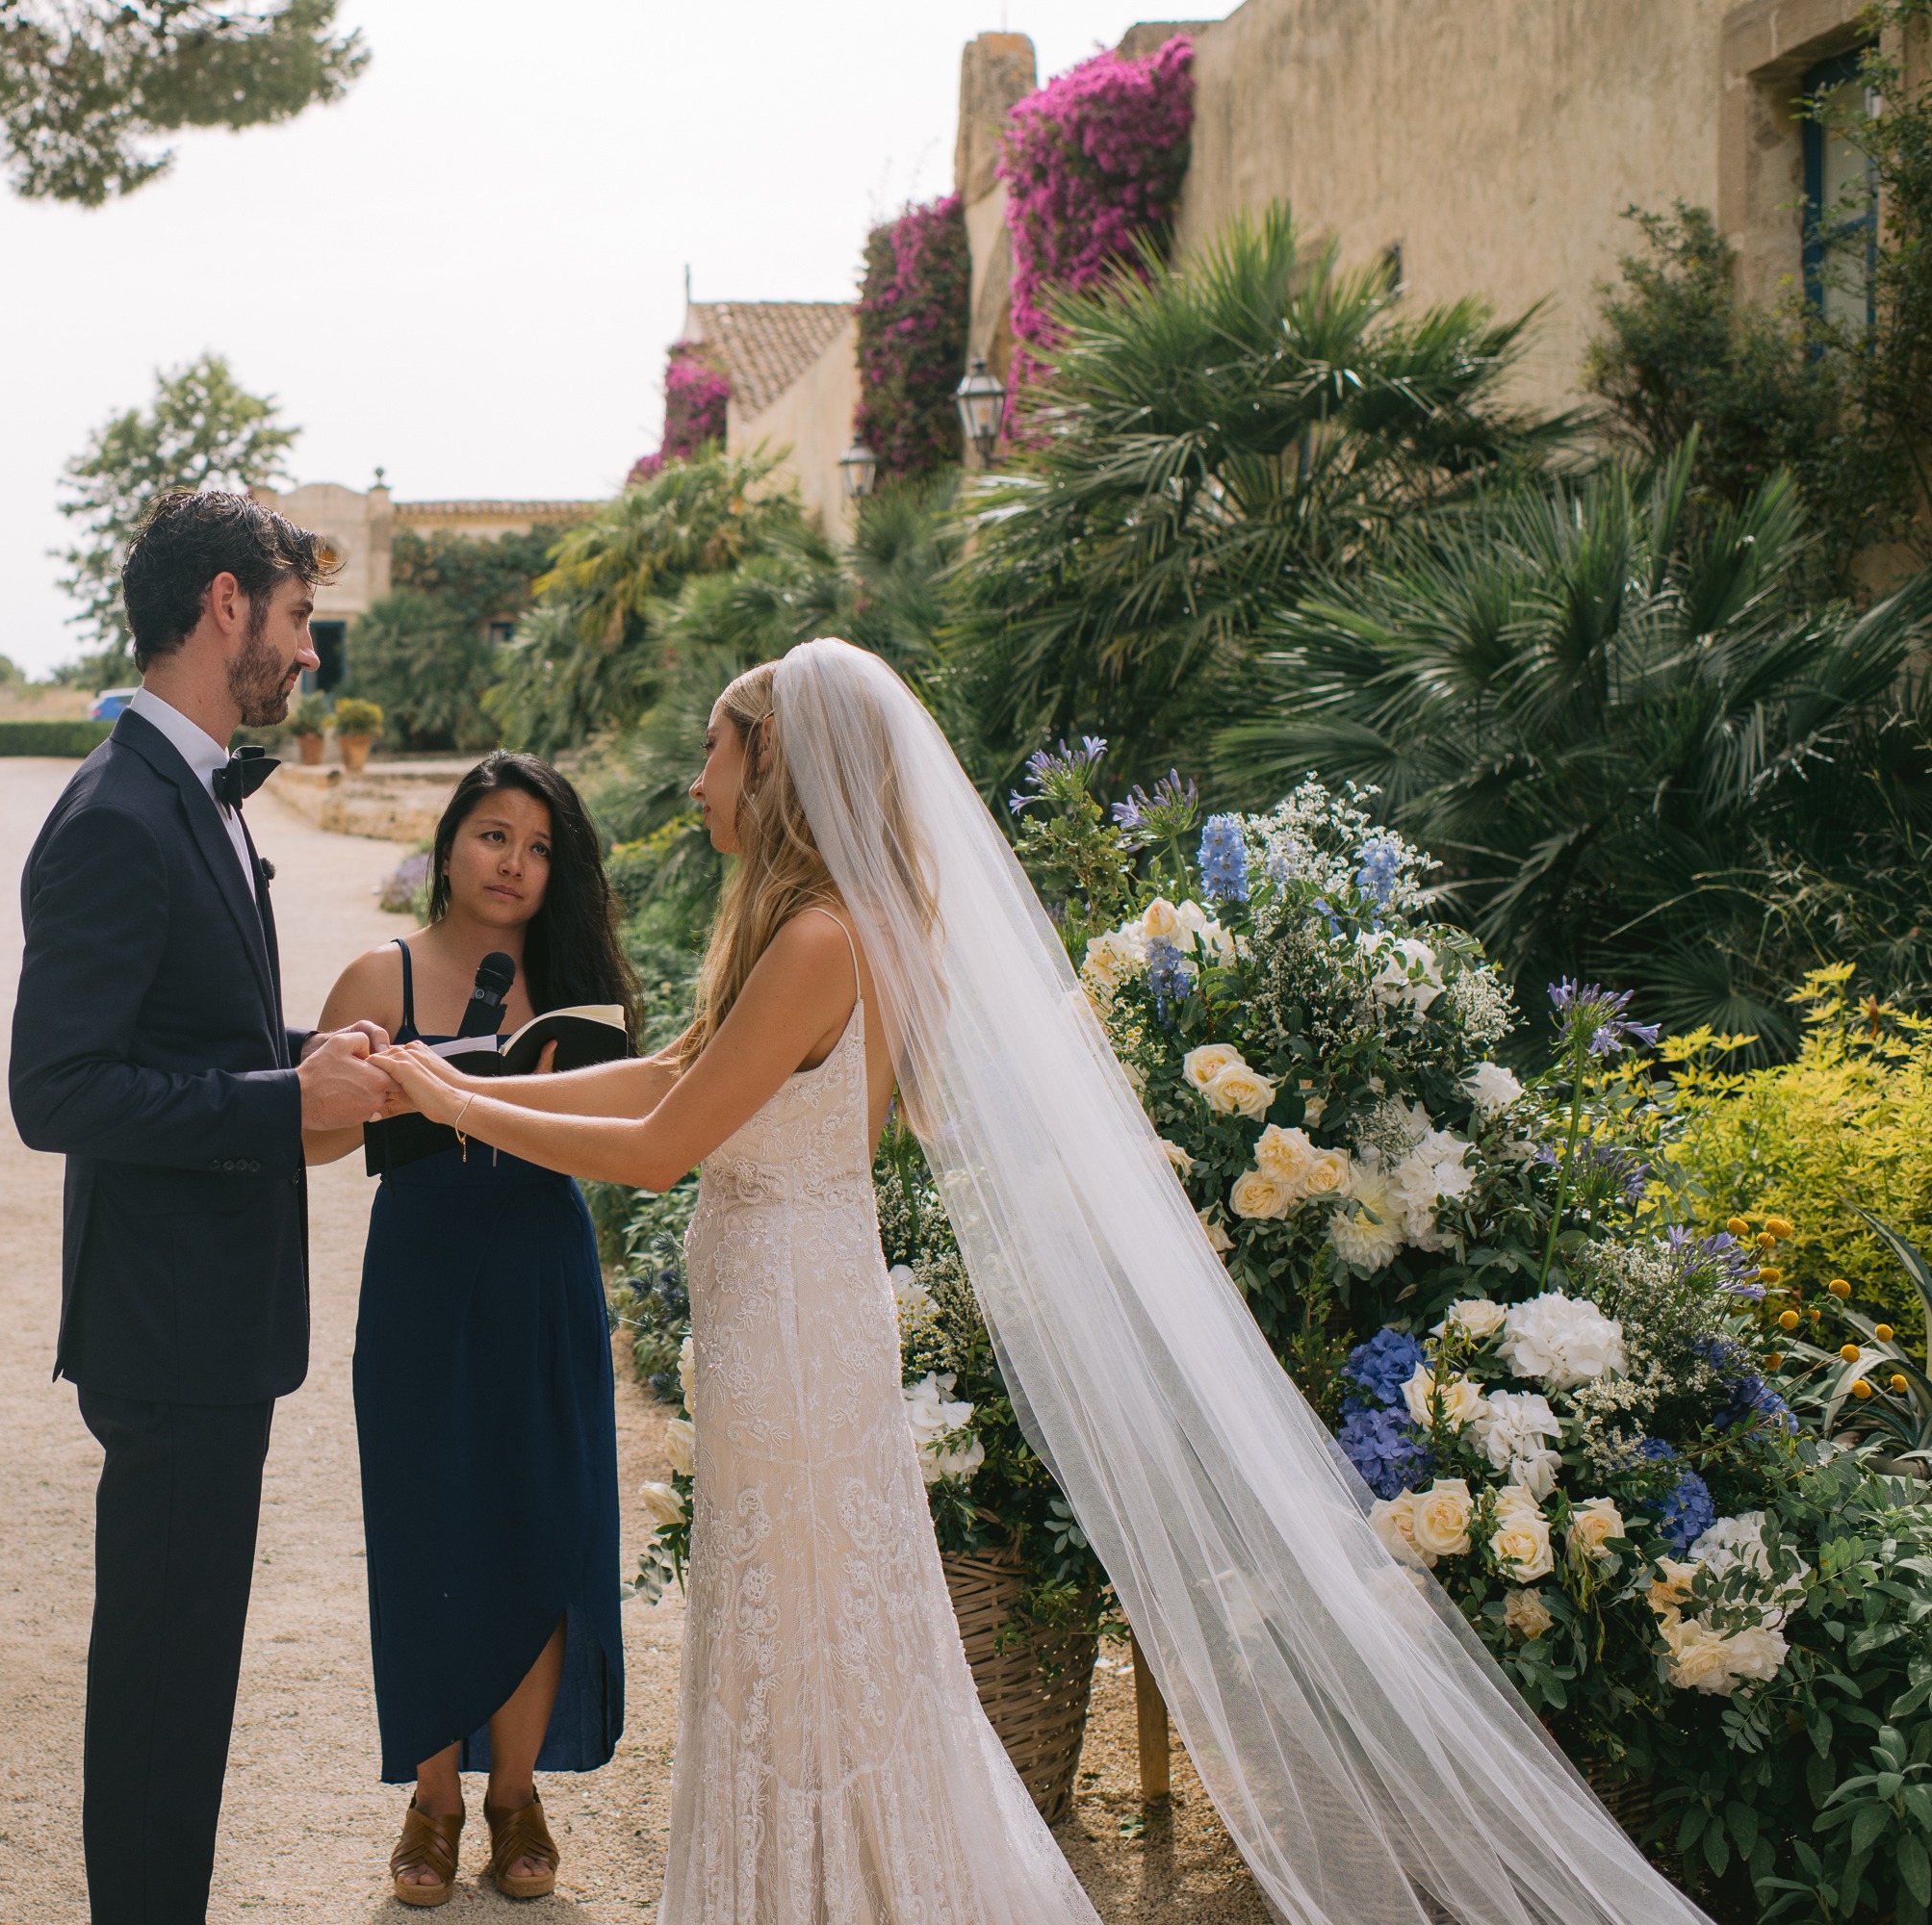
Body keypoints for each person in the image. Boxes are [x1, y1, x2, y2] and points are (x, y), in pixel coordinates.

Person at [372, 639, 1713, 1925]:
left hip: (792, 1322)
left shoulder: (823, 941)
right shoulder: (813, 923)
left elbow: (666, 1151)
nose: (698, 786)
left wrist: (455, 1104)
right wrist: (466, 1078)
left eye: (716, 760)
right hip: (782, 1309)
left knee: (814, 1639)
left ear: (774, 770)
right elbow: (674, 1075)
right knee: (806, 1628)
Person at [9, 489, 399, 1925]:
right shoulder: (119, 812)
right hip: (167, 1332)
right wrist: (275, 1108)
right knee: (164, 1687)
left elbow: (180, 1041)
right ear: (226, 604)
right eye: (300, 621)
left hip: (206, 1321)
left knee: (185, 1678)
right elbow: (57, 1093)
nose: (311, 656)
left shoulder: (194, 790)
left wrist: (305, 1057)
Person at [307, 753, 631, 1907]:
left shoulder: (575, 984)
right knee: (426, 1518)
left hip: (541, 1262)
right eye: (495, 834)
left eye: (540, 847)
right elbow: (304, 1142)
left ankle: (516, 1791)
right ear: (448, 845)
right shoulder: (377, 972)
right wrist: (375, 1088)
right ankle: (434, 1796)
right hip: (422, 1270)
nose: (517, 862)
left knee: (545, 1518)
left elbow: (634, 1126)